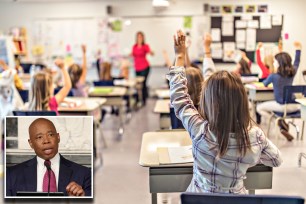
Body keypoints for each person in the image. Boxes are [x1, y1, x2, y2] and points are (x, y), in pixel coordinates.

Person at [167, 30, 282, 193]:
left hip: (198, 200)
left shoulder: (200, 131)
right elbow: (276, 160)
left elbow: (179, 98)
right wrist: (252, 155)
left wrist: (180, 56)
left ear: (207, 100)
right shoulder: (254, 136)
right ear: (241, 101)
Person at [6, 118, 91, 196]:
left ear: (58, 137)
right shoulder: (12, 175)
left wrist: (81, 200)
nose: (46, 141)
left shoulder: (84, 174)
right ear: (31, 143)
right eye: (39, 137)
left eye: (50, 135)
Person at [256, 42, 302, 141]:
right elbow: (297, 62)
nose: (273, 63)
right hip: (295, 106)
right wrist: (298, 49)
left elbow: (264, 84)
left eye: (275, 62)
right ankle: (281, 123)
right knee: (274, 107)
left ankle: (278, 123)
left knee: (259, 107)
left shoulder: (273, 76)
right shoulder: (292, 73)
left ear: (279, 63)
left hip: (282, 106)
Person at [131, 31, 154, 105]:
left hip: (145, 67)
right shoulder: (134, 46)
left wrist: (151, 52)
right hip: (137, 68)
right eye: (138, 36)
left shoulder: (145, 46)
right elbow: (132, 55)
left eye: (141, 36)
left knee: (143, 84)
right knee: (137, 84)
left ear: (143, 38)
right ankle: (137, 99)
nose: (139, 38)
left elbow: (150, 52)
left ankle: (144, 100)